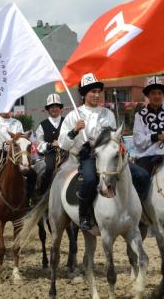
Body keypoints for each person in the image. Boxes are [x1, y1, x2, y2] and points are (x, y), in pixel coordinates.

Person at [58, 73, 149, 231]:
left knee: (142, 175)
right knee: (89, 180)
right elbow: (63, 144)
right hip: (87, 156)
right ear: (84, 93)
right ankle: (84, 215)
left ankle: (137, 212)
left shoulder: (108, 114)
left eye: (98, 91)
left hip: (109, 155)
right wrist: (74, 131)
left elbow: (114, 138)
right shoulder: (73, 115)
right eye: (92, 91)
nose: (96, 95)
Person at [35, 93, 65, 197]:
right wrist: (50, 145)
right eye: (51, 107)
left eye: (56, 106)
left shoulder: (67, 121)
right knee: (49, 169)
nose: (54, 109)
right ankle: (41, 195)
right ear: (48, 109)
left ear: (60, 108)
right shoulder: (42, 125)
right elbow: (39, 144)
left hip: (67, 151)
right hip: (51, 153)